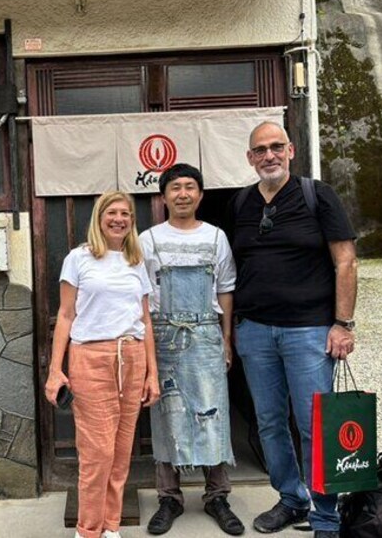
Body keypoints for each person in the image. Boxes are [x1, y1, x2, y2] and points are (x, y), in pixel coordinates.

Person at [227, 121, 357, 538]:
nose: (269, 155)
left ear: (291, 150)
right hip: (256, 331)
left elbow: (346, 261)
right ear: (250, 158)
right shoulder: (243, 202)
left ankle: (325, 516)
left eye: (276, 147)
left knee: (314, 423)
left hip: (308, 332)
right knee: (268, 422)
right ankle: (291, 498)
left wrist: (342, 324)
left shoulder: (316, 195)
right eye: (260, 150)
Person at [44, 191, 160, 538]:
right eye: (112, 212)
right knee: (96, 452)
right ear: (99, 217)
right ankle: (88, 530)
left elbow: (146, 320)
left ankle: (110, 525)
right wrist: (55, 370)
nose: (119, 219)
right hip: (91, 359)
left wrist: (152, 372)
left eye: (126, 213)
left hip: (132, 355)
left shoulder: (135, 259)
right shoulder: (78, 259)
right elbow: (65, 315)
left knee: (121, 450)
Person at [139, 163, 243, 536]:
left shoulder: (216, 237)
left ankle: (217, 495)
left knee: (211, 412)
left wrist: (225, 337)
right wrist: (147, 352)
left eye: (190, 187)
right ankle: (169, 497)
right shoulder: (148, 239)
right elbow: (142, 297)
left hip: (204, 335)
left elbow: (225, 289)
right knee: (166, 413)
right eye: (175, 188)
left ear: (200, 194)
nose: (183, 194)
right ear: (163, 196)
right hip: (163, 336)